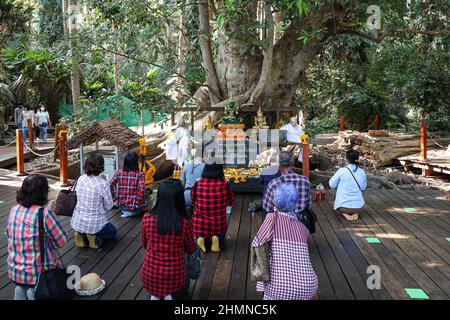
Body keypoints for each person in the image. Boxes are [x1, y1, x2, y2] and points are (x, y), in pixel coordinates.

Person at [252, 183, 318, 300]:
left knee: (270, 292)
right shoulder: (302, 225)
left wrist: (260, 281)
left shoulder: (272, 218)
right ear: (295, 203)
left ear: (275, 201)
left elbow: (257, 244)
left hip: (279, 288)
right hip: (308, 286)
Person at [7, 175, 68, 300]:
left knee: (23, 285)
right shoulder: (43, 213)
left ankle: (23, 290)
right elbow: (61, 242)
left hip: (15, 272)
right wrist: (50, 213)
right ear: (43, 193)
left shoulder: (13, 210)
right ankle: (34, 292)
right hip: (39, 275)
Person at [140, 179, 196, 300]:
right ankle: (170, 296)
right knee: (185, 284)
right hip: (175, 278)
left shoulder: (147, 218)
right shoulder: (185, 223)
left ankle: (156, 296)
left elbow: (144, 245)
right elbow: (191, 249)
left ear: (159, 196)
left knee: (158, 289)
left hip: (149, 276)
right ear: (180, 199)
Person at [71, 153, 116, 249]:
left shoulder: (81, 178)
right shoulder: (103, 184)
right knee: (113, 232)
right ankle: (93, 239)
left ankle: (80, 234)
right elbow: (109, 205)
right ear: (101, 167)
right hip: (95, 223)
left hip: (78, 221)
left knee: (86, 226)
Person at [191, 163, 235, 253]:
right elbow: (230, 201)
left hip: (200, 223)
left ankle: (201, 238)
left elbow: (193, 199)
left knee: (200, 227)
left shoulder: (198, 183)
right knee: (219, 230)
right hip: (218, 224)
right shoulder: (224, 184)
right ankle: (216, 238)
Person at [263, 151, 311, 220]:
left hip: (280, 221)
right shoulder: (305, 181)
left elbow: (267, 207)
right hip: (301, 220)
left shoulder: (273, 183)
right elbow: (308, 205)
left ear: (278, 165)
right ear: (293, 163)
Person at [329, 150, 367, 221]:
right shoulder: (362, 171)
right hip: (359, 207)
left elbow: (331, 184)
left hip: (343, 207)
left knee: (337, 189)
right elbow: (363, 187)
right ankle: (355, 213)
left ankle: (344, 213)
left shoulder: (342, 170)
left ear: (347, 160)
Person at [110, 151, 147, 218]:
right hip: (136, 208)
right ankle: (132, 213)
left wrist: (114, 198)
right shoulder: (139, 175)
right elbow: (142, 189)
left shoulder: (119, 173)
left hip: (122, 206)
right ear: (136, 163)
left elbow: (110, 185)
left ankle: (127, 212)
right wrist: (138, 202)